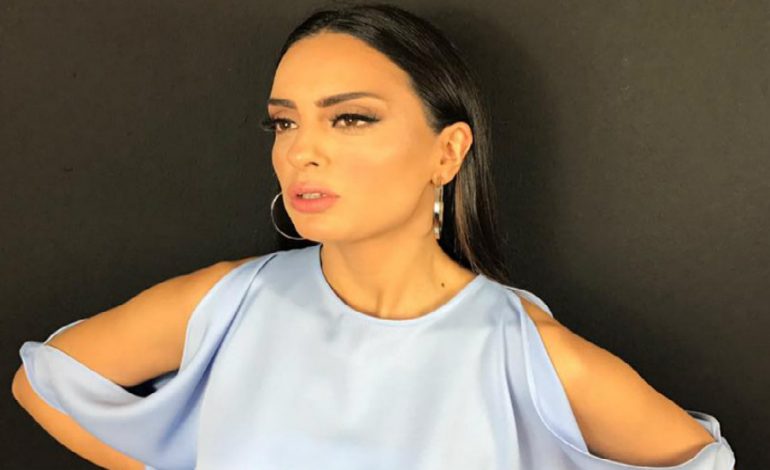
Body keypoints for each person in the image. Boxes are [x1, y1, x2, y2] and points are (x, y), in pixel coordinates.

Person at [12, 2, 736, 469]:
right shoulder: (229, 304)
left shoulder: (525, 355)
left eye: (350, 118)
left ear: (447, 152)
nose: (301, 150)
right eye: (284, 121)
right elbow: (44, 383)